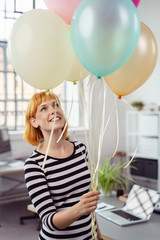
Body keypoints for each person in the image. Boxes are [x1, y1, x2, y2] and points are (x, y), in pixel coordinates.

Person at [23, 91, 103, 240]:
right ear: (34, 122)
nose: (54, 110)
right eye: (44, 108)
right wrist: (79, 209)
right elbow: (49, 221)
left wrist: (99, 237)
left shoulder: (80, 149)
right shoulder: (34, 164)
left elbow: (89, 204)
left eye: (56, 105)